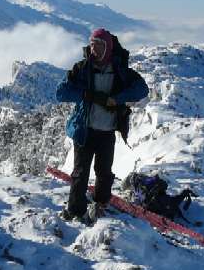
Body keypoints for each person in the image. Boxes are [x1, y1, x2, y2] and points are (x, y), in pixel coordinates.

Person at [55, 28, 149, 221]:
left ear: (108, 48)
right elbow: (61, 92)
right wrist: (85, 94)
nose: (94, 49)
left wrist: (117, 98)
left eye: (99, 45)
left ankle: (100, 204)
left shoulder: (120, 71)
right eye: (92, 44)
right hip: (85, 131)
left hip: (106, 131)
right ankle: (75, 210)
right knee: (80, 173)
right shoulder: (82, 69)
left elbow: (142, 89)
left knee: (104, 172)